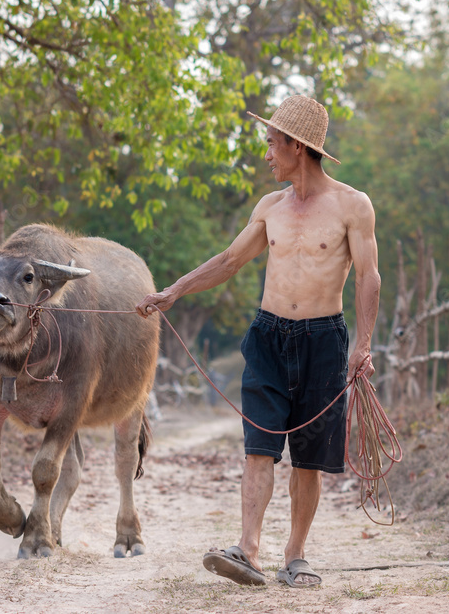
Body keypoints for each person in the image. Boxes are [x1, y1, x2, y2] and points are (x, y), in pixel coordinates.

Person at [135, 94, 381, 588]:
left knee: (307, 458)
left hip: (323, 341)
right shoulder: (270, 207)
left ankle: (295, 556)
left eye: (272, 144)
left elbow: (368, 278)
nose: (267, 154)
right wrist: (173, 291)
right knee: (258, 447)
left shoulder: (353, 206)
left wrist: (363, 345)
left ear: (297, 146)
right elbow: (229, 261)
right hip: (267, 337)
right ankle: (247, 549)